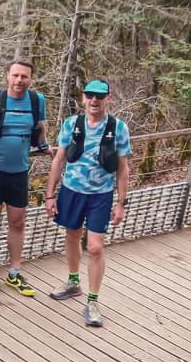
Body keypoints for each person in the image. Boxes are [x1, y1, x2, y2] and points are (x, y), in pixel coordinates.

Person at [45, 79, 133, 328]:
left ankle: (93, 301)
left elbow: (123, 169)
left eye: (99, 96)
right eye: (90, 95)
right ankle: (73, 281)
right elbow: (58, 159)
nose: (94, 100)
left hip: (101, 195)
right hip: (71, 190)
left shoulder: (118, 128)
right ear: (83, 97)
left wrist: (121, 202)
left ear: (108, 98)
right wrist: (50, 194)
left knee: (95, 247)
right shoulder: (72, 124)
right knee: (71, 235)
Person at [0, 59, 49, 297]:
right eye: (15, 75)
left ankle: (15, 270)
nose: (19, 81)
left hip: (19, 171)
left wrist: (44, 145)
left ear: (30, 79)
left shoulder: (37, 101)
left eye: (24, 76)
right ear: (7, 76)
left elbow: (40, 125)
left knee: (18, 221)